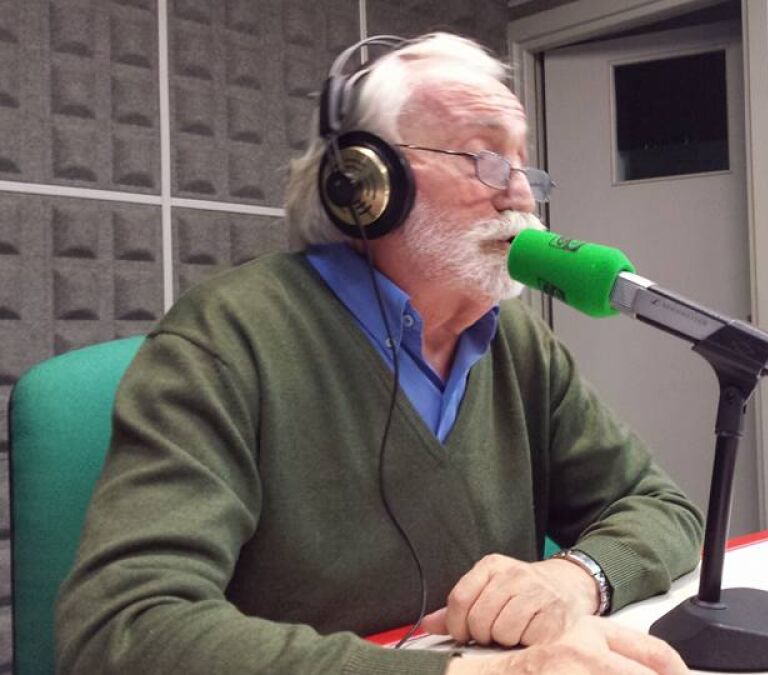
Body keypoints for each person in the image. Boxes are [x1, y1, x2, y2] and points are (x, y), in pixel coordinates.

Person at [55, 33, 702, 675]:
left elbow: (661, 507)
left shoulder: (519, 342)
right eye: (485, 158)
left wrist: (575, 576)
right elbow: (123, 628)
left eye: (525, 169)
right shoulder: (226, 339)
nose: (522, 197)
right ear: (364, 180)